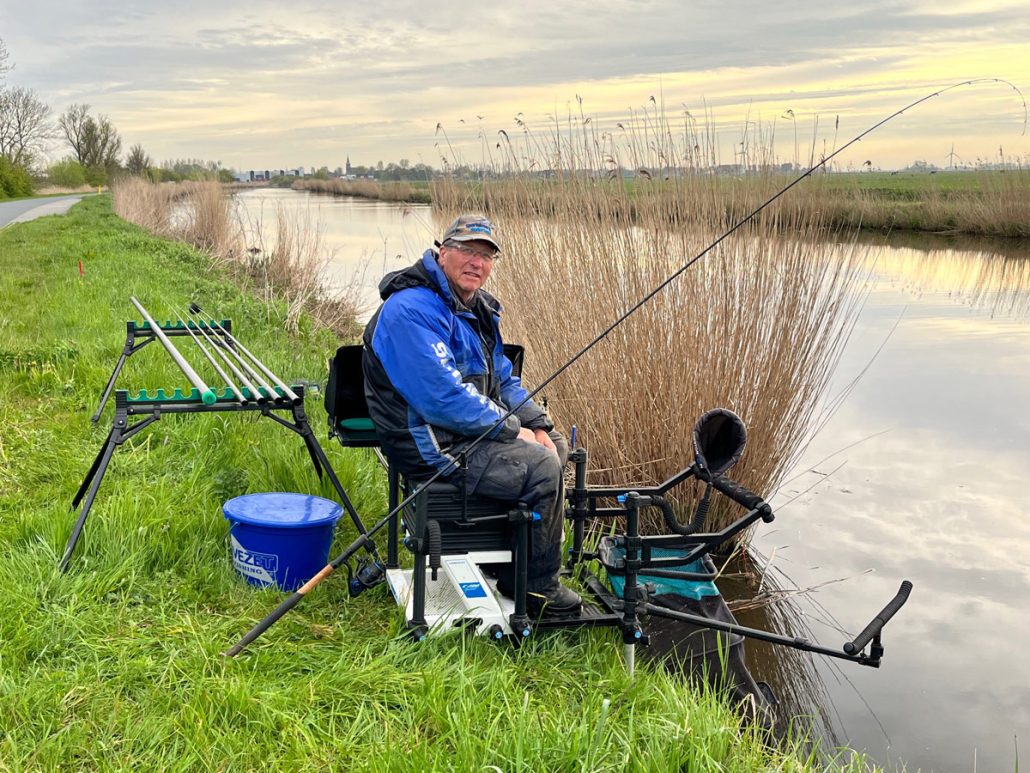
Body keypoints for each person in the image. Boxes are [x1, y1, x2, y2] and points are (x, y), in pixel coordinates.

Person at [362, 214, 581, 618]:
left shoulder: (477, 308)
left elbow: (503, 380)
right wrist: (512, 430)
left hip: (464, 433)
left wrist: (535, 423)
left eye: (486, 255)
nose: (476, 262)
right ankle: (537, 590)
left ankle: (509, 565)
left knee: (555, 446)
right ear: (442, 252)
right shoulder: (410, 309)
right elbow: (441, 398)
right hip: (427, 440)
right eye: (466, 250)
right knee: (541, 468)